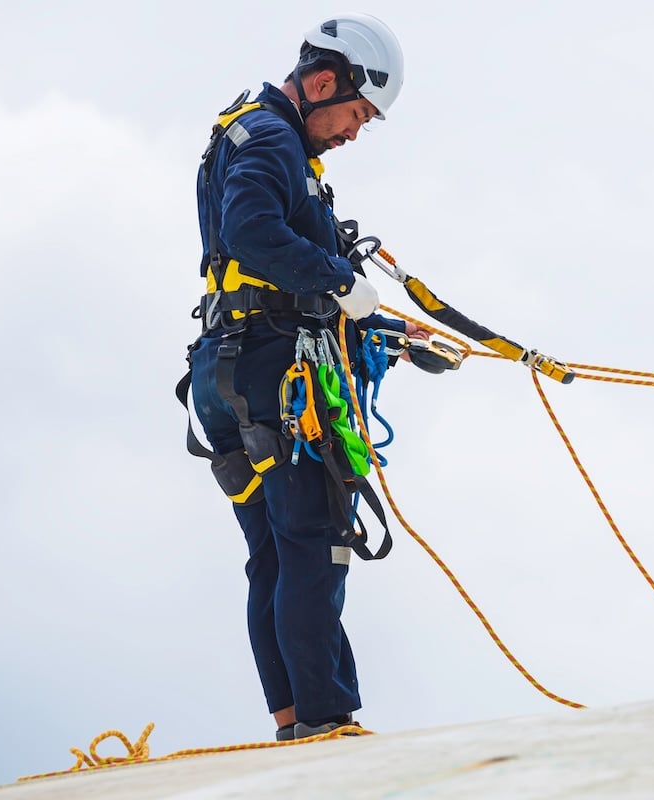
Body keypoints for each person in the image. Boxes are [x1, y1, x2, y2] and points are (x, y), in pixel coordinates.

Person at [183, 13, 426, 741]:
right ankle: (326, 725)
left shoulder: (252, 133)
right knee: (316, 544)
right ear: (324, 83)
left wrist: (393, 335)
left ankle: (295, 729)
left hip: (228, 370)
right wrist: (338, 277)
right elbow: (256, 235)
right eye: (357, 114)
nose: (355, 133)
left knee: (275, 559)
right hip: (270, 375)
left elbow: (278, 277)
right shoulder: (272, 136)